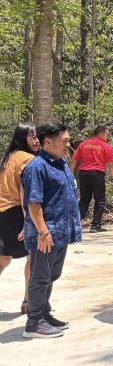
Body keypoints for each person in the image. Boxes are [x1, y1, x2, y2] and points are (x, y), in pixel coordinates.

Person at [21, 122, 80, 338]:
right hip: (45, 234)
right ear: (48, 141)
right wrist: (43, 232)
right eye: (65, 141)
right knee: (40, 277)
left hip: (60, 232)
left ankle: (44, 314)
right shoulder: (37, 167)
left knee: (52, 275)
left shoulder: (60, 163)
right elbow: (33, 203)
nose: (68, 145)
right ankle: (34, 322)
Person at [0, 124, 39, 314]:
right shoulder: (28, 159)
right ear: (22, 138)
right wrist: (28, 221)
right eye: (32, 137)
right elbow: (26, 193)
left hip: (3, 212)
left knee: (3, 260)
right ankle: (28, 301)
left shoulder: (7, 158)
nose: (37, 140)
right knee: (33, 257)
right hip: (18, 212)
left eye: (37, 136)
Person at [71, 124, 113, 232]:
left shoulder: (83, 144)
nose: (108, 137)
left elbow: (73, 160)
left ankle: (75, 224)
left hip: (83, 174)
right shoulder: (106, 146)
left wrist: (70, 174)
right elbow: (111, 164)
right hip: (97, 174)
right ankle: (96, 225)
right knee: (100, 200)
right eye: (107, 134)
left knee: (84, 199)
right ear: (100, 134)